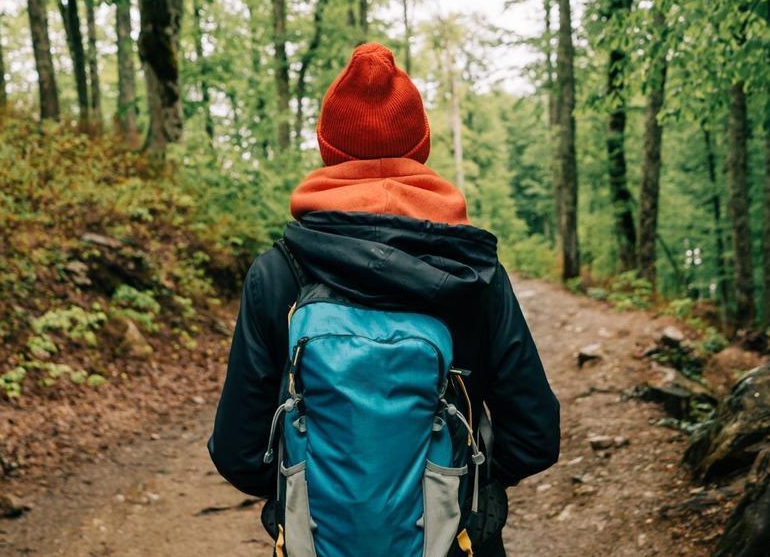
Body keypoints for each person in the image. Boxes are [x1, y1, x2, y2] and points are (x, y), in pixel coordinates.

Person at [209, 42, 560, 557]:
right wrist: (459, 475)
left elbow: (239, 453)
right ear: (421, 146)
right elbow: (535, 437)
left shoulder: (278, 274)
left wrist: (322, 495)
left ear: (329, 148)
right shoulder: (473, 272)